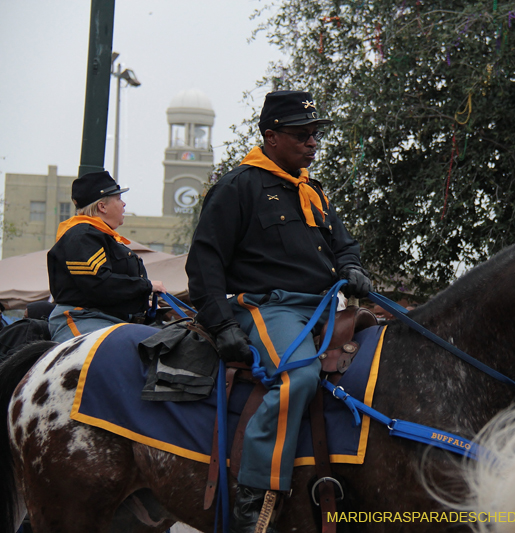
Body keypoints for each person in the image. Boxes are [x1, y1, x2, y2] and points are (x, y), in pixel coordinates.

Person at [185, 90, 372, 532]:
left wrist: (352, 266)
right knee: (300, 376)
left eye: (315, 134)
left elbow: (343, 245)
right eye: (301, 135)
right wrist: (223, 323)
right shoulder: (238, 186)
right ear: (270, 136)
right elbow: (205, 262)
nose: (312, 143)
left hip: (326, 306)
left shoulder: (312, 191)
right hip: (270, 308)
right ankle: (254, 494)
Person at [47, 171, 166, 342]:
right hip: (83, 319)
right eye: (118, 199)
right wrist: (146, 286)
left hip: (107, 319)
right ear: (102, 207)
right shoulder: (81, 235)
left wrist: (138, 304)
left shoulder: (100, 236)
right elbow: (98, 284)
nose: (123, 204)